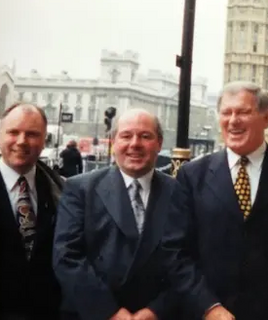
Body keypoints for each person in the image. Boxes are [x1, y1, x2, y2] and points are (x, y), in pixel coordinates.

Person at [176, 81, 268, 320]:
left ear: (267, 119)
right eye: (226, 112)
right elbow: (178, 252)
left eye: (244, 112)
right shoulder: (192, 175)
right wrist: (208, 306)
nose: (233, 120)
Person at [53, 109, 203, 320]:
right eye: (126, 136)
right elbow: (67, 257)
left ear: (159, 143)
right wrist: (109, 312)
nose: (135, 144)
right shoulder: (80, 189)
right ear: (113, 141)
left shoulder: (179, 192)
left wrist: (157, 310)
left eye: (145, 136)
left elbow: (189, 258)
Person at [0, 103, 63, 319]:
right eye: (13, 132)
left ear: (44, 140)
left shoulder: (63, 191)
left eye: (32, 134)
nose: (21, 141)